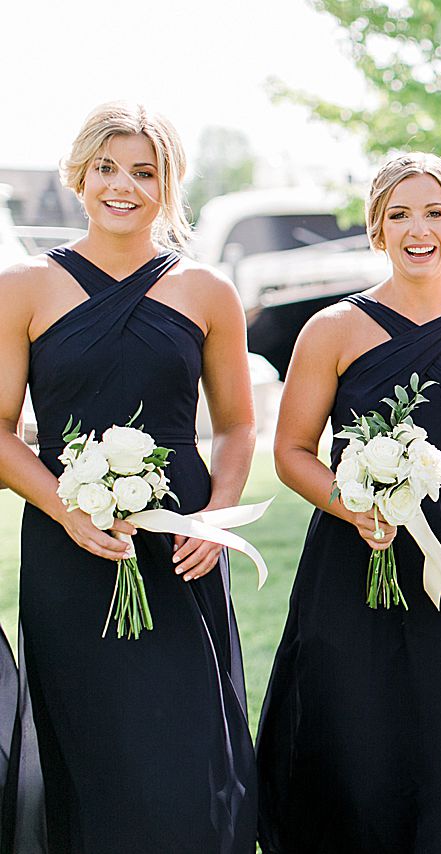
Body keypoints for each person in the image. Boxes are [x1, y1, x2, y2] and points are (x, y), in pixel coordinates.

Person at [256, 152, 441, 854]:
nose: (418, 229)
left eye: (434, 212)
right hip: (353, 565)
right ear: (378, 229)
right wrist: (353, 506)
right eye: (399, 214)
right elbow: (290, 451)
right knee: (354, 749)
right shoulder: (332, 330)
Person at [0, 101, 257, 852]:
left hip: (183, 548)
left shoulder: (208, 290)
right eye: (107, 168)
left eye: (145, 172)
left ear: (168, 185)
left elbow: (239, 426)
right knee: (89, 748)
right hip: (67, 547)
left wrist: (216, 519)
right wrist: (64, 509)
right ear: (79, 175)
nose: (123, 185)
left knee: (186, 749)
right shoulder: (24, 288)